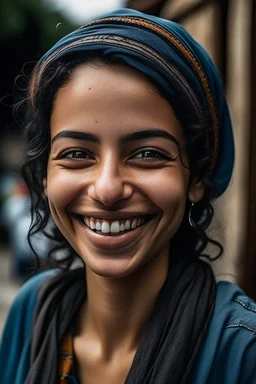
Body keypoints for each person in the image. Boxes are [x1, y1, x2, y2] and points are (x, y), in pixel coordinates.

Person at [0, 8, 255, 384]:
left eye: (148, 154)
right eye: (77, 154)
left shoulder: (241, 353)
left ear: (197, 177)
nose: (107, 189)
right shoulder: (33, 311)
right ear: (45, 173)